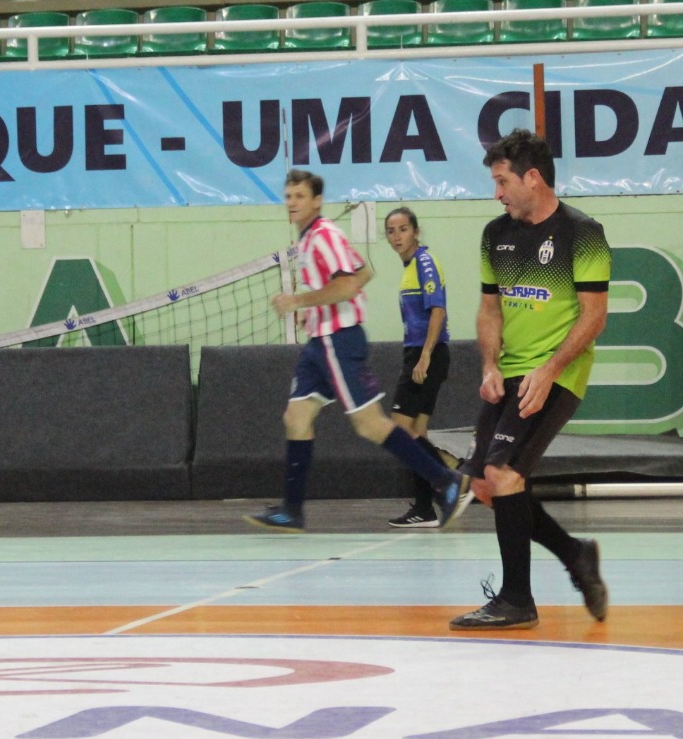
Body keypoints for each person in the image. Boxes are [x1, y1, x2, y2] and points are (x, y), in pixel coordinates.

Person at [244, 171, 468, 534]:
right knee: (296, 417)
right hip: (319, 341)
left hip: (338, 340)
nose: (292, 202)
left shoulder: (324, 236)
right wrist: (312, 310)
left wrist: (298, 301)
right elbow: (362, 272)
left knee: (372, 425)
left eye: (299, 196)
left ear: (316, 200)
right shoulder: (308, 240)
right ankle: (291, 510)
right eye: (288, 196)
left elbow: (350, 283)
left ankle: (444, 481)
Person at [451, 129, 610, 630]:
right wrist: (490, 366)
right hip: (513, 370)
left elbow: (594, 316)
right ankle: (575, 553)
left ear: (533, 178)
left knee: (503, 475)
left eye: (502, 181)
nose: (496, 193)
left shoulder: (583, 233)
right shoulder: (495, 234)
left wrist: (550, 370)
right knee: (486, 484)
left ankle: (516, 599)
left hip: (557, 372)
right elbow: (489, 309)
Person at [383, 207, 472, 528]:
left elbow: (438, 311)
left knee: (399, 431)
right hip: (421, 354)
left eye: (403, 229)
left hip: (426, 355)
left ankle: (450, 480)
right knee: (417, 433)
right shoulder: (410, 267)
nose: (397, 236)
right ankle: (425, 508)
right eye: (391, 231)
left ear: (416, 232)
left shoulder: (424, 262)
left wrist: (424, 357)